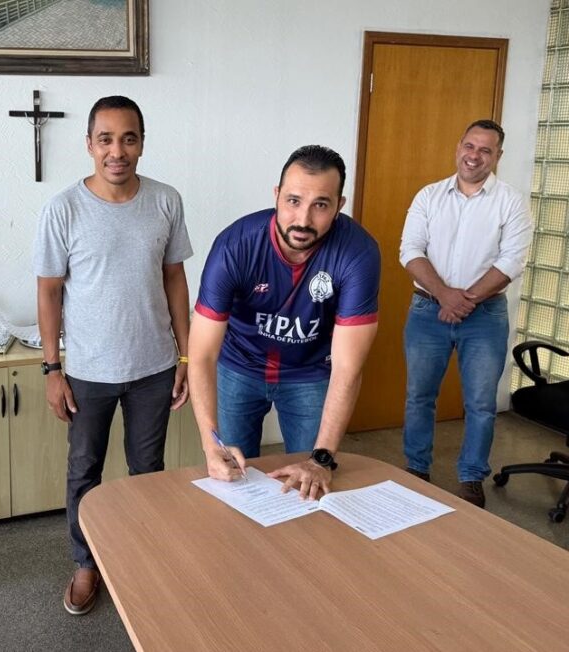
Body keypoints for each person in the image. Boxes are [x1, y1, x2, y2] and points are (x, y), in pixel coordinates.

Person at [34, 95, 192, 616]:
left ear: (142, 144)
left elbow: (174, 278)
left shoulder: (166, 201)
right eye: (106, 139)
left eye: (128, 138)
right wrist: (52, 369)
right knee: (85, 471)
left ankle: (141, 558)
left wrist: (187, 358)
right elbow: (49, 291)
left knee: (148, 470)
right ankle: (86, 563)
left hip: (154, 367)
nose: (117, 151)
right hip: (87, 373)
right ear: (89, 145)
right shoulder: (64, 209)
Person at [189, 145, 380, 500]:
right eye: (293, 200)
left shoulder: (358, 253)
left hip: (310, 374)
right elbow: (200, 354)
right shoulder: (236, 245)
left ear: (339, 205)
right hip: (239, 367)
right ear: (276, 196)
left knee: (309, 485)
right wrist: (209, 444)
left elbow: (348, 367)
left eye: (320, 204)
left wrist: (322, 458)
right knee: (230, 478)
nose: (303, 219)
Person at [399, 119, 533, 508]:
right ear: (459, 146)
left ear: (498, 156)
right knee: (419, 396)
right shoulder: (429, 196)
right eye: (469, 146)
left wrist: (465, 300)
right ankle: (417, 469)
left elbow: (512, 261)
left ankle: (472, 477)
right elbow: (410, 249)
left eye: (485, 150)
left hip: (486, 316)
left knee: (480, 402)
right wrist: (443, 295)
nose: (474, 156)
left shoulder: (511, 201)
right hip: (428, 311)